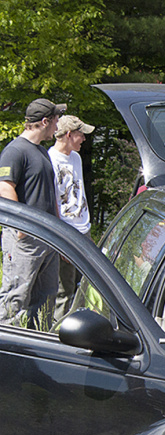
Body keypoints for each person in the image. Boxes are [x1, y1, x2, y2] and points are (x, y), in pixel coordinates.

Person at [0, 98, 66, 329]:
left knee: (46, 302)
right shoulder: (15, 151)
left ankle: (40, 353)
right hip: (25, 240)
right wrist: (21, 228)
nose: (58, 125)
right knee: (15, 299)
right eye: (56, 120)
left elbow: (50, 194)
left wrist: (60, 233)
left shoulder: (41, 152)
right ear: (45, 121)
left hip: (48, 237)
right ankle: (7, 354)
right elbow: (5, 187)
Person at [49, 115, 96, 320]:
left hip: (83, 229)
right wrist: (60, 238)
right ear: (68, 135)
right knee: (65, 289)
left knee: (87, 283)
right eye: (80, 134)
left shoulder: (75, 157)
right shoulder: (50, 160)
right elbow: (53, 203)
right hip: (66, 231)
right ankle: (61, 333)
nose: (84, 139)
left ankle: (83, 324)